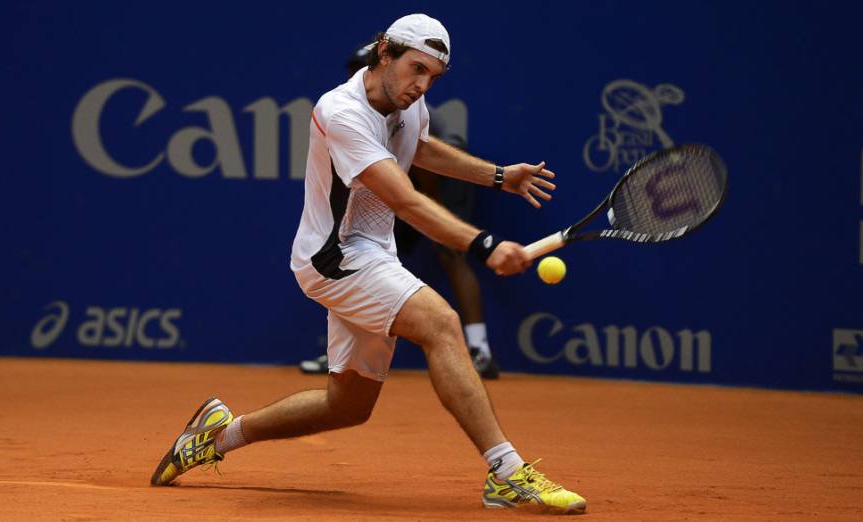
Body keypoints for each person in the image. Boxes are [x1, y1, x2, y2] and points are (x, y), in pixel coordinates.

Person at [150, 13, 586, 514]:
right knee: (443, 325)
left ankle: (216, 436)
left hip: (374, 252)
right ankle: (508, 473)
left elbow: (419, 148)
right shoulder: (341, 111)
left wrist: (498, 176)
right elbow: (408, 202)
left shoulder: (408, 104)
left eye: (433, 78)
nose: (421, 86)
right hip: (335, 258)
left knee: (348, 406)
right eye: (416, 69)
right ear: (385, 52)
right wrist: (485, 244)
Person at [299, 45, 500, 379]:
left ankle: (480, 348)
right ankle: (342, 356)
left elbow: (421, 173)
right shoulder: (352, 109)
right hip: (390, 183)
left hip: (437, 181)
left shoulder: (407, 105)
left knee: (450, 253)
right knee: (366, 257)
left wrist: (440, 222)